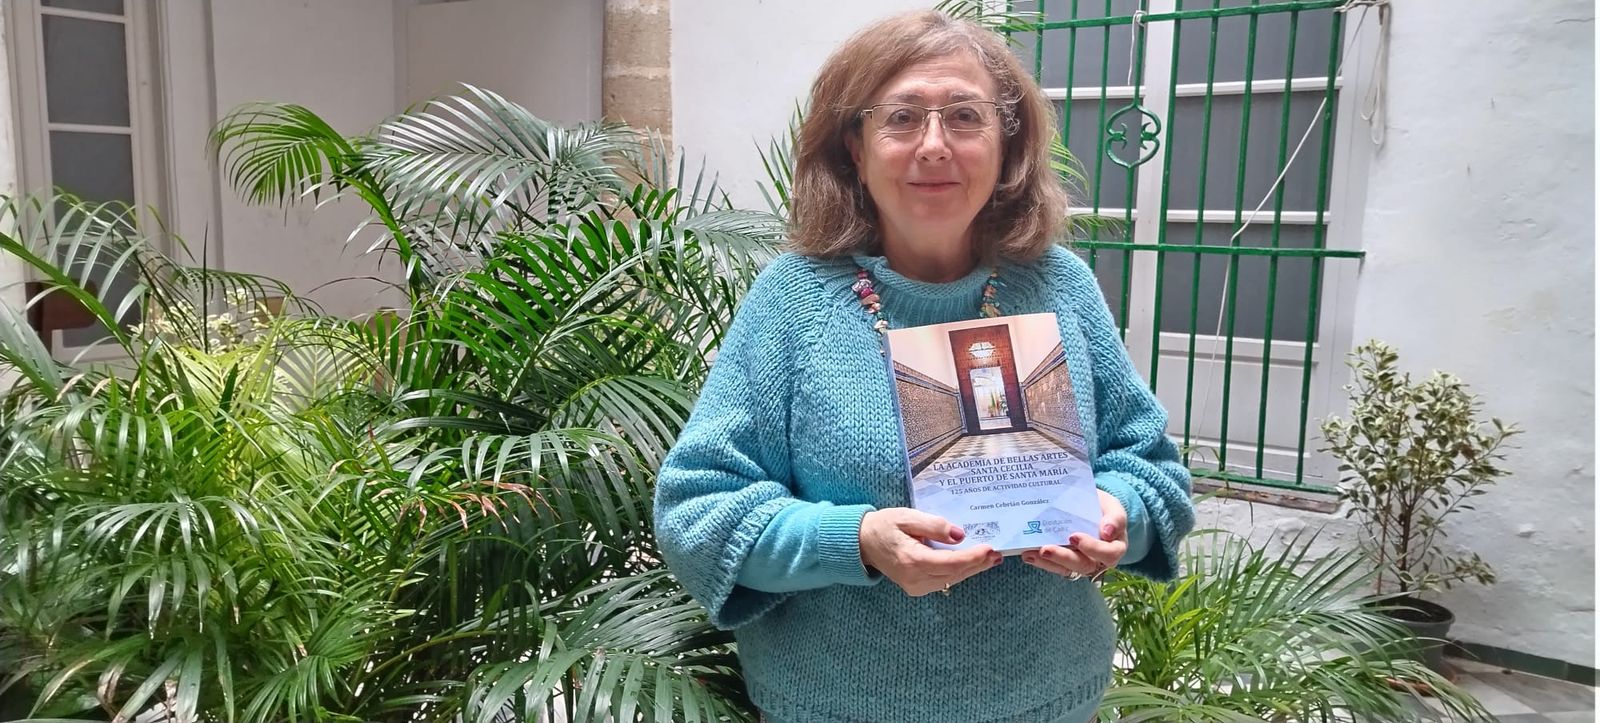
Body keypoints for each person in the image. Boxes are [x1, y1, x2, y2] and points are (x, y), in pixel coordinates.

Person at [653, 10, 1194, 723]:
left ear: (1008, 142)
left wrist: (1117, 511)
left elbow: (1152, 467)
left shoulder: (1060, 285)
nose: (934, 145)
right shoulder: (793, 303)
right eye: (902, 117)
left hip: (1051, 701)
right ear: (855, 145)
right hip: (835, 707)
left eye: (965, 116)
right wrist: (857, 541)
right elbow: (695, 511)